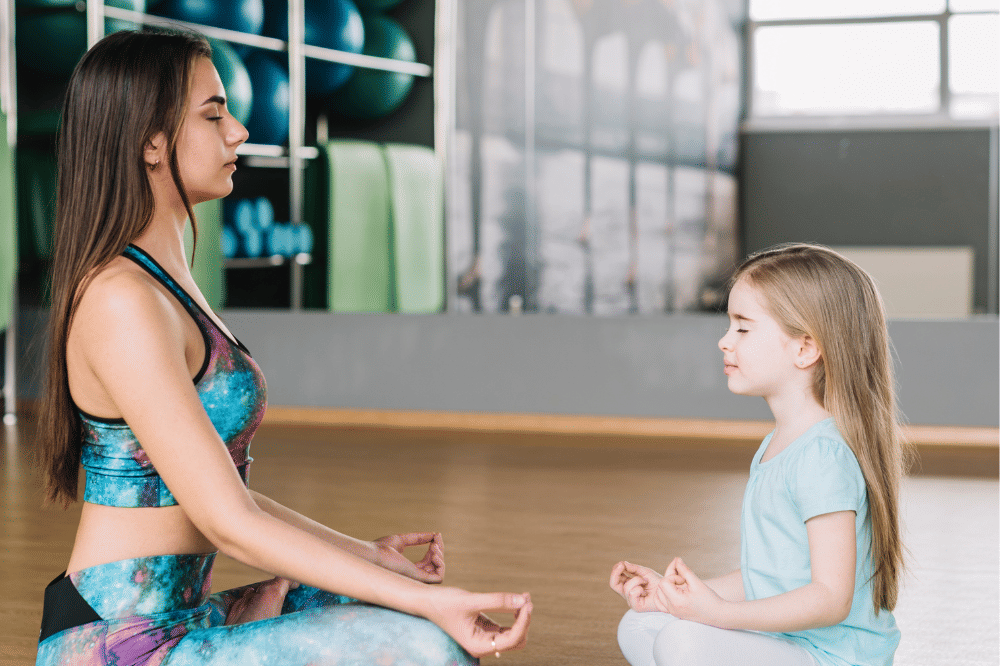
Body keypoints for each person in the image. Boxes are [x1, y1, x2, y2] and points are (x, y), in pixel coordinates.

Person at [35, 28, 531, 666]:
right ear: (150, 143)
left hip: (186, 617)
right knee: (424, 643)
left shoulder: (166, 279)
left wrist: (368, 558)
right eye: (214, 115)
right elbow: (225, 523)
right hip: (120, 645)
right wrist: (431, 603)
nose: (239, 131)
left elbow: (223, 495)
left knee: (391, 601)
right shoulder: (121, 300)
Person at [610, 244, 913, 666]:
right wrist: (673, 596)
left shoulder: (823, 456)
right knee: (640, 625)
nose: (724, 341)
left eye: (743, 328)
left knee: (682, 643)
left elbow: (831, 598)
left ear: (805, 349)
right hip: (791, 644)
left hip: (832, 657)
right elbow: (768, 579)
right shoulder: (780, 443)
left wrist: (720, 616)